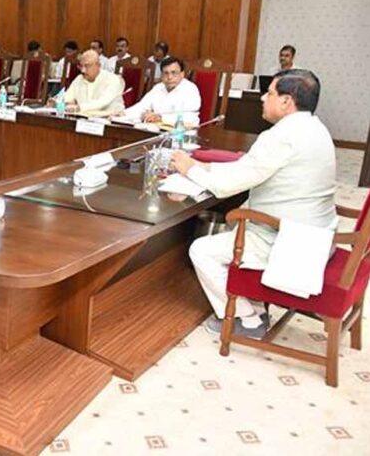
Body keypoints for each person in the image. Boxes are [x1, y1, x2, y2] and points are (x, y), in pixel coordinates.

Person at [171, 69, 336, 338]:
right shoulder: (316, 128)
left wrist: (190, 169)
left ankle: (247, 319)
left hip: (289, 240)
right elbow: (249, 168)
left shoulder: (280, 137)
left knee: (201, 250)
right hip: (317, 233)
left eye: (269, 93)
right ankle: (254, 305)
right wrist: (203, 167)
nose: (262, 98)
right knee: (233, 227)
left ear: (286, 101)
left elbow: (227, 186)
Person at [48, 50, 125, 117]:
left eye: (87, 66)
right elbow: (68, 96)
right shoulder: (79, 78)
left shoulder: (113, 80)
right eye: (81, 66)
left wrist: (78, 108)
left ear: (98, 65)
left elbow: (101, 102)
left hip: (108, 121)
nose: (83, 70)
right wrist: (56, 101)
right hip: (83, 119)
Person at [125, 56, 201, 123]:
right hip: (156, 130)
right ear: (161, 75)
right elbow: (141, 107)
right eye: (166, 73)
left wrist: (161, 118)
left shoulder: (190, 89)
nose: (170, 77)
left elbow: (190, 117)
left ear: (182, 74)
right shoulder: (158, 88)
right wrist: (122, 114)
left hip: (181, 132)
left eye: (174, 73)